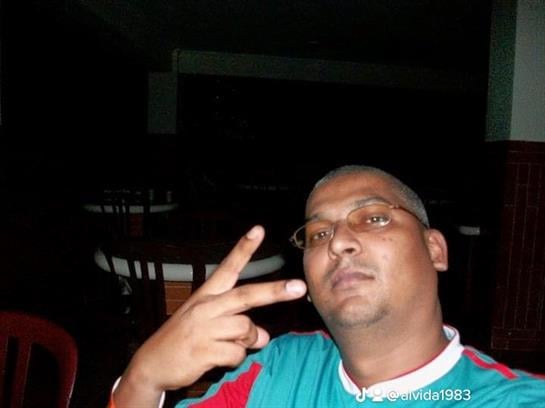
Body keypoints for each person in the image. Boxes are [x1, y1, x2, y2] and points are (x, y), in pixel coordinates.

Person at [110, 165, 545, 407]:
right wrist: (142, 380)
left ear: (434, 249)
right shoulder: (276, 369)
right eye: (319, 233)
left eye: (374, 218)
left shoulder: (515, 400)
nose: (337, 242)